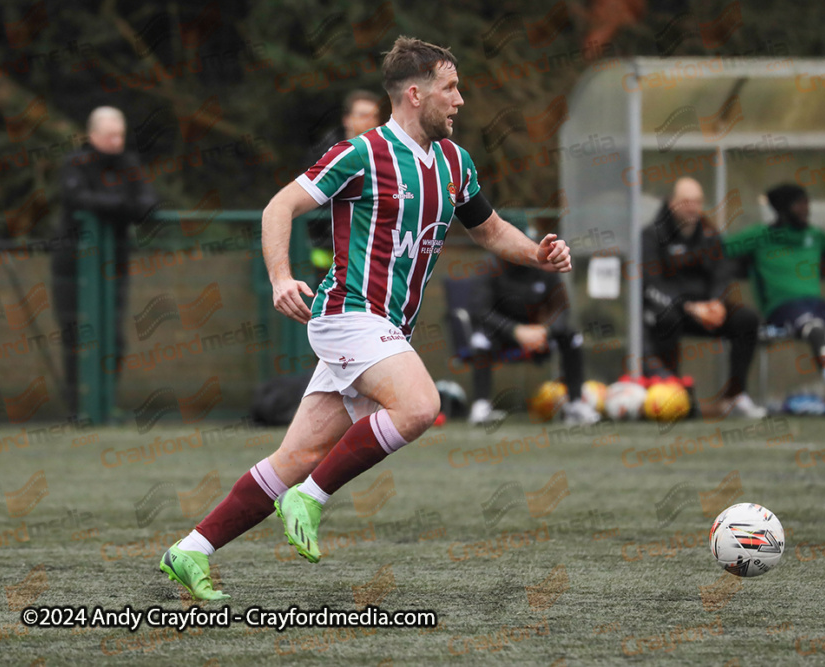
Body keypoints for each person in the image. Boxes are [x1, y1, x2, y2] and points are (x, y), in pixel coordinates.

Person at [160, 37, 574, 600]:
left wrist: (539, 254)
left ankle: (191, 550)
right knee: (420, 406)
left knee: (298, 454)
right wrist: (282, 277)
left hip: (383, 328)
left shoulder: (455, 162)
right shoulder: (362, 154)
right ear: (414, 93)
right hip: (348, 313)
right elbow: (278, 206)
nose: (460, 99)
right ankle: (310, 497)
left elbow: (490, 229)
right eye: (450, 88)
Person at [50, 107, 158, 415]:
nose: (116, 141)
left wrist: (115, 206)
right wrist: (123, 206)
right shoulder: (74, 163)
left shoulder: (129, 163)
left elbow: (149, 203)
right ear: (93, 135)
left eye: (120, 135)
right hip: (72, 264)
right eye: (110, 135)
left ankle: (106, 403)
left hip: (114, 263)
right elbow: (79, 200)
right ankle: (77, 408)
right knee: (75, 333)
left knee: (112, 335)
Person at [723, 183, 825, 398]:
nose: (806, 209)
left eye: (807, 203)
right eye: (799, 204)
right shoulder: (760, 235)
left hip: (815, 302)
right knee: (815, 328)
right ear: (783, 209)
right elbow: (721, 248)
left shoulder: (814, 235)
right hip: (781, 308)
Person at [641, 177, 766, 418]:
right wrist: (689, 306)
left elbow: (722, 272)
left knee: (747, 319)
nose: (692, 207)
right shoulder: (651, 235)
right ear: (671, 202)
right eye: (685, 201)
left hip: (707, 309)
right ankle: (673, 392)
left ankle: (734, 396)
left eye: (696, 202)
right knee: (665, 319)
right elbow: (652, 283)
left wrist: (716, 302)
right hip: (671, 309)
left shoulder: (709, 233)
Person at [466, 252, 599, 425]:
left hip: (539, 336)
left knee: (572, 337)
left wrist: (546, 331)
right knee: (480, 339)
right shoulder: (490, 266)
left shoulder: (545, 267)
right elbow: (481, 311)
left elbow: (562, 309)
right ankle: (481, 405)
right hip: (502, 334)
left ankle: (575, 403)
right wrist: (514, 330)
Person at [303, 91, 382, 287]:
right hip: (327, 253)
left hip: (372, 255)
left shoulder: (386, 156)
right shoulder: (324, 153)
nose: (369, 122)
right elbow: (306, 199)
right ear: (347, 119)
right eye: (363, 115)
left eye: (374, 116)